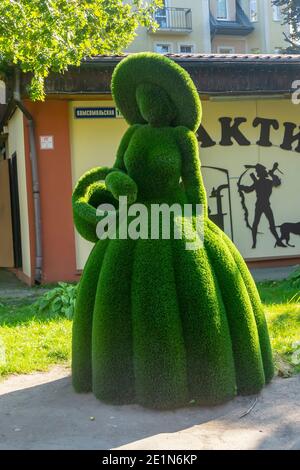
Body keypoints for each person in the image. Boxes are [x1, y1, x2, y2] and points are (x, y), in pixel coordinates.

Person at [72, 53, 274, 409]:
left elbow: (194, 181)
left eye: (155, 101)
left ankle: (211, 374)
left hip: (176, 216)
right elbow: (117, 170)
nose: (149, 108)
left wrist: (199, 220)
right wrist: (120, 183)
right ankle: (114, 373)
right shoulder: (133, 134)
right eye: (142, 102)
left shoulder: (183, 137)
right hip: (134, 220)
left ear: (168, 104)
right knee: (118, 284)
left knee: (197, 287)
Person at [239, 163, 286, 248]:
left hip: (262, 205)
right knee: (263, 224)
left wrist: (242, 187)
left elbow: (249, 189)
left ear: (260, 173)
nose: (256, 173)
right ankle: (255, 243)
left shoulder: (264, 182)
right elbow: (249, 189)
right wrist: (242, 187)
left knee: (258, 224)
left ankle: (257, 243)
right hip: (263, 205)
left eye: (257, 172)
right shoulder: (266, 182)